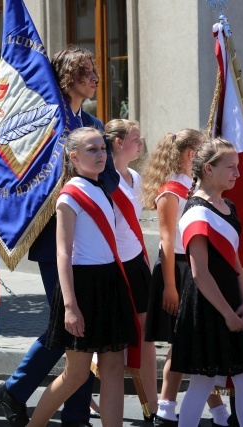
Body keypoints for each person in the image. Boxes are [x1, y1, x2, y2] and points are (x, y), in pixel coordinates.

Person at [0, 46, 119, 427]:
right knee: (64, 324)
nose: (95, 78)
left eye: (95, 71)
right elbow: (33, 177)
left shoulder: (92, 122)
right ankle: (16, 389)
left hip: (92, 241)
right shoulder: (49, 120)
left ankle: (73, 414)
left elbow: (109, 177)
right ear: (67, 77)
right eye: (86, 72)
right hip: (56, 240)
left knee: (81, 337)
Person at [27, 127, 138, 427]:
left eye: (102, 148)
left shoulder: (103, 188)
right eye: (92, 150)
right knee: (76, 373)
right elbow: (63, 254)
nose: (101, 154)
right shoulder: (69, 196)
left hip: (109, 281)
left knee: (114, 368)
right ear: (74, 157)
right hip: (83, 286)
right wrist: (70, 306)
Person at [141, 130, 229, 426]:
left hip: (190, 267)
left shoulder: (191, 186)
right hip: (175, 269)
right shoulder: (171, 190)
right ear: (192, 154)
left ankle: (218, 412)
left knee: (192, 341)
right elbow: (167, 243)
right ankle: (166, 409)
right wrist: (169, 286)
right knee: (182, 342)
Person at [172, 138, 243, 426]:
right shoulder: (196, 211)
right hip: (208, 305)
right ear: (208, 168)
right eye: (231, 167)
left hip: (233, 299)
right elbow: (200, 273)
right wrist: (228, 313)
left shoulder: (228, 205)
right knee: (203, 382)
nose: (237, 174)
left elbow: (234, 261)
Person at [105, 119, 158, 418]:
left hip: (136, 262)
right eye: (135, 138)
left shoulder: (135, 177)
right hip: (110, 265)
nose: (140, 144)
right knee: (112, 343)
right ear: (118, 143)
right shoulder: (102, 178)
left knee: (146, 337)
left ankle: (151, 407)